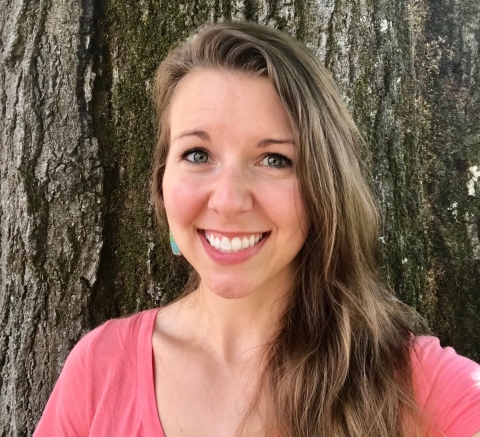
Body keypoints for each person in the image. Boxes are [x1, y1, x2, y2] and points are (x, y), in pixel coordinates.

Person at [34, 21, 480, 437]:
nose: (228, 201)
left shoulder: (414, 380)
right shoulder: (99, 367)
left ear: (324, 188)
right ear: (161, 183)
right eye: (196, 154)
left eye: (274, 160)